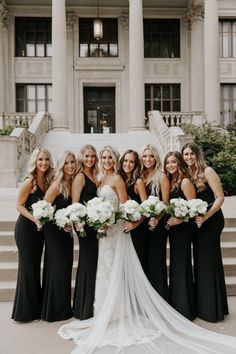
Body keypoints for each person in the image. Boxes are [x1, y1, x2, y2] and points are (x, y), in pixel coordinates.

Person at [58, 147, 236, 354]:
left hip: (129, 230)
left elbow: (133, 206)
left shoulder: (128, 179)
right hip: (107, 233)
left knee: (121, 269)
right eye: (105, 157)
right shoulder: (100, 179)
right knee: (107, 272)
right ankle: (110, 311)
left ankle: (145, 309)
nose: (111, 161)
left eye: (129, 161)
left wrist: (127, 222)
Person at [182, 142, 229, 322]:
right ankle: (204, 305)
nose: (188, 158)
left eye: (191, 154)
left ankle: (212, 309)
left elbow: (220, 198)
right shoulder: (187, 174)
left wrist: (206, 217)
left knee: (208, 262)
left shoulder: (207, 171)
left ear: (197, 155)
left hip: (211, 220)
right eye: (185, 155)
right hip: (198, 222)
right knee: (201, 262)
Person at [12, 147, 54, 322]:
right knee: (28, 269)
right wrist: (34, 218)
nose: (43, 163)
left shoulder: (48, 180)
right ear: (35, 162)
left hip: (39, 231)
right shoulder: (29, 182)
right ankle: (24, 313)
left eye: (46, 159)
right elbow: (19, 205)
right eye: (40, 160)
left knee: (35, 266)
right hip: (26, 230)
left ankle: (35, 309)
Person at [41, 151, 77, 322]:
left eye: (72, 162)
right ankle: (53, 311)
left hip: (66, 232)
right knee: (57, 267)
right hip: (54, 232)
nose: (70, 165)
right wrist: (60, 221)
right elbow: (43, 210)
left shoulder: (73, 183)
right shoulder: (57, 184)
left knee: (65, 267)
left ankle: (63, 307)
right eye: (66, 163)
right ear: (61, 165)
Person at [164, 151, 196, 320]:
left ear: (179, 163)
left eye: (173, 162)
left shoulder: (184, 182)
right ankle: (177, 304)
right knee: (176, 265)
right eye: (168, 162)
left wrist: (181, 219)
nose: (170, 165)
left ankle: (185, 309)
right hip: (173, 229)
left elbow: (194, 207)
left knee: (181, 264)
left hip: (184, 229)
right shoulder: (170, 181)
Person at [72, 145, 99, 320]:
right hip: (84, 226)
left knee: (93, 263)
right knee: (88, 262)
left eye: (92, 156)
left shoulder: (95, 175)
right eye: (87, 156)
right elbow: (75, 204)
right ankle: (83, 308)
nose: (90, 159)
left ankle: (89, 304)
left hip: (96, 223)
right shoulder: (80, 177)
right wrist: (78, 226)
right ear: (81, 157)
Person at [140, 144, 170, 299]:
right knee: (144, 262)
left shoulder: (161, 176)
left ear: (156, 158)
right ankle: (146, 301)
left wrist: (156, 218)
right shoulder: (140, 175)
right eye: (145, 156)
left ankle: (159, 299)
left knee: (156, 262)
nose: (147, 159)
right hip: (142, 225)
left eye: (151, 156)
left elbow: (165, 203)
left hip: (157, 226)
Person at [119, 149, 148, 272]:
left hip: (137, 229)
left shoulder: (138, 182)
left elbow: (146, 208)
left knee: (137, 266)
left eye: (132, 162)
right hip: (123, 228)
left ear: (136, 165)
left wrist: (135, 224)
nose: (128, 164)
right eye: (126, 160)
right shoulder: (120, 180)